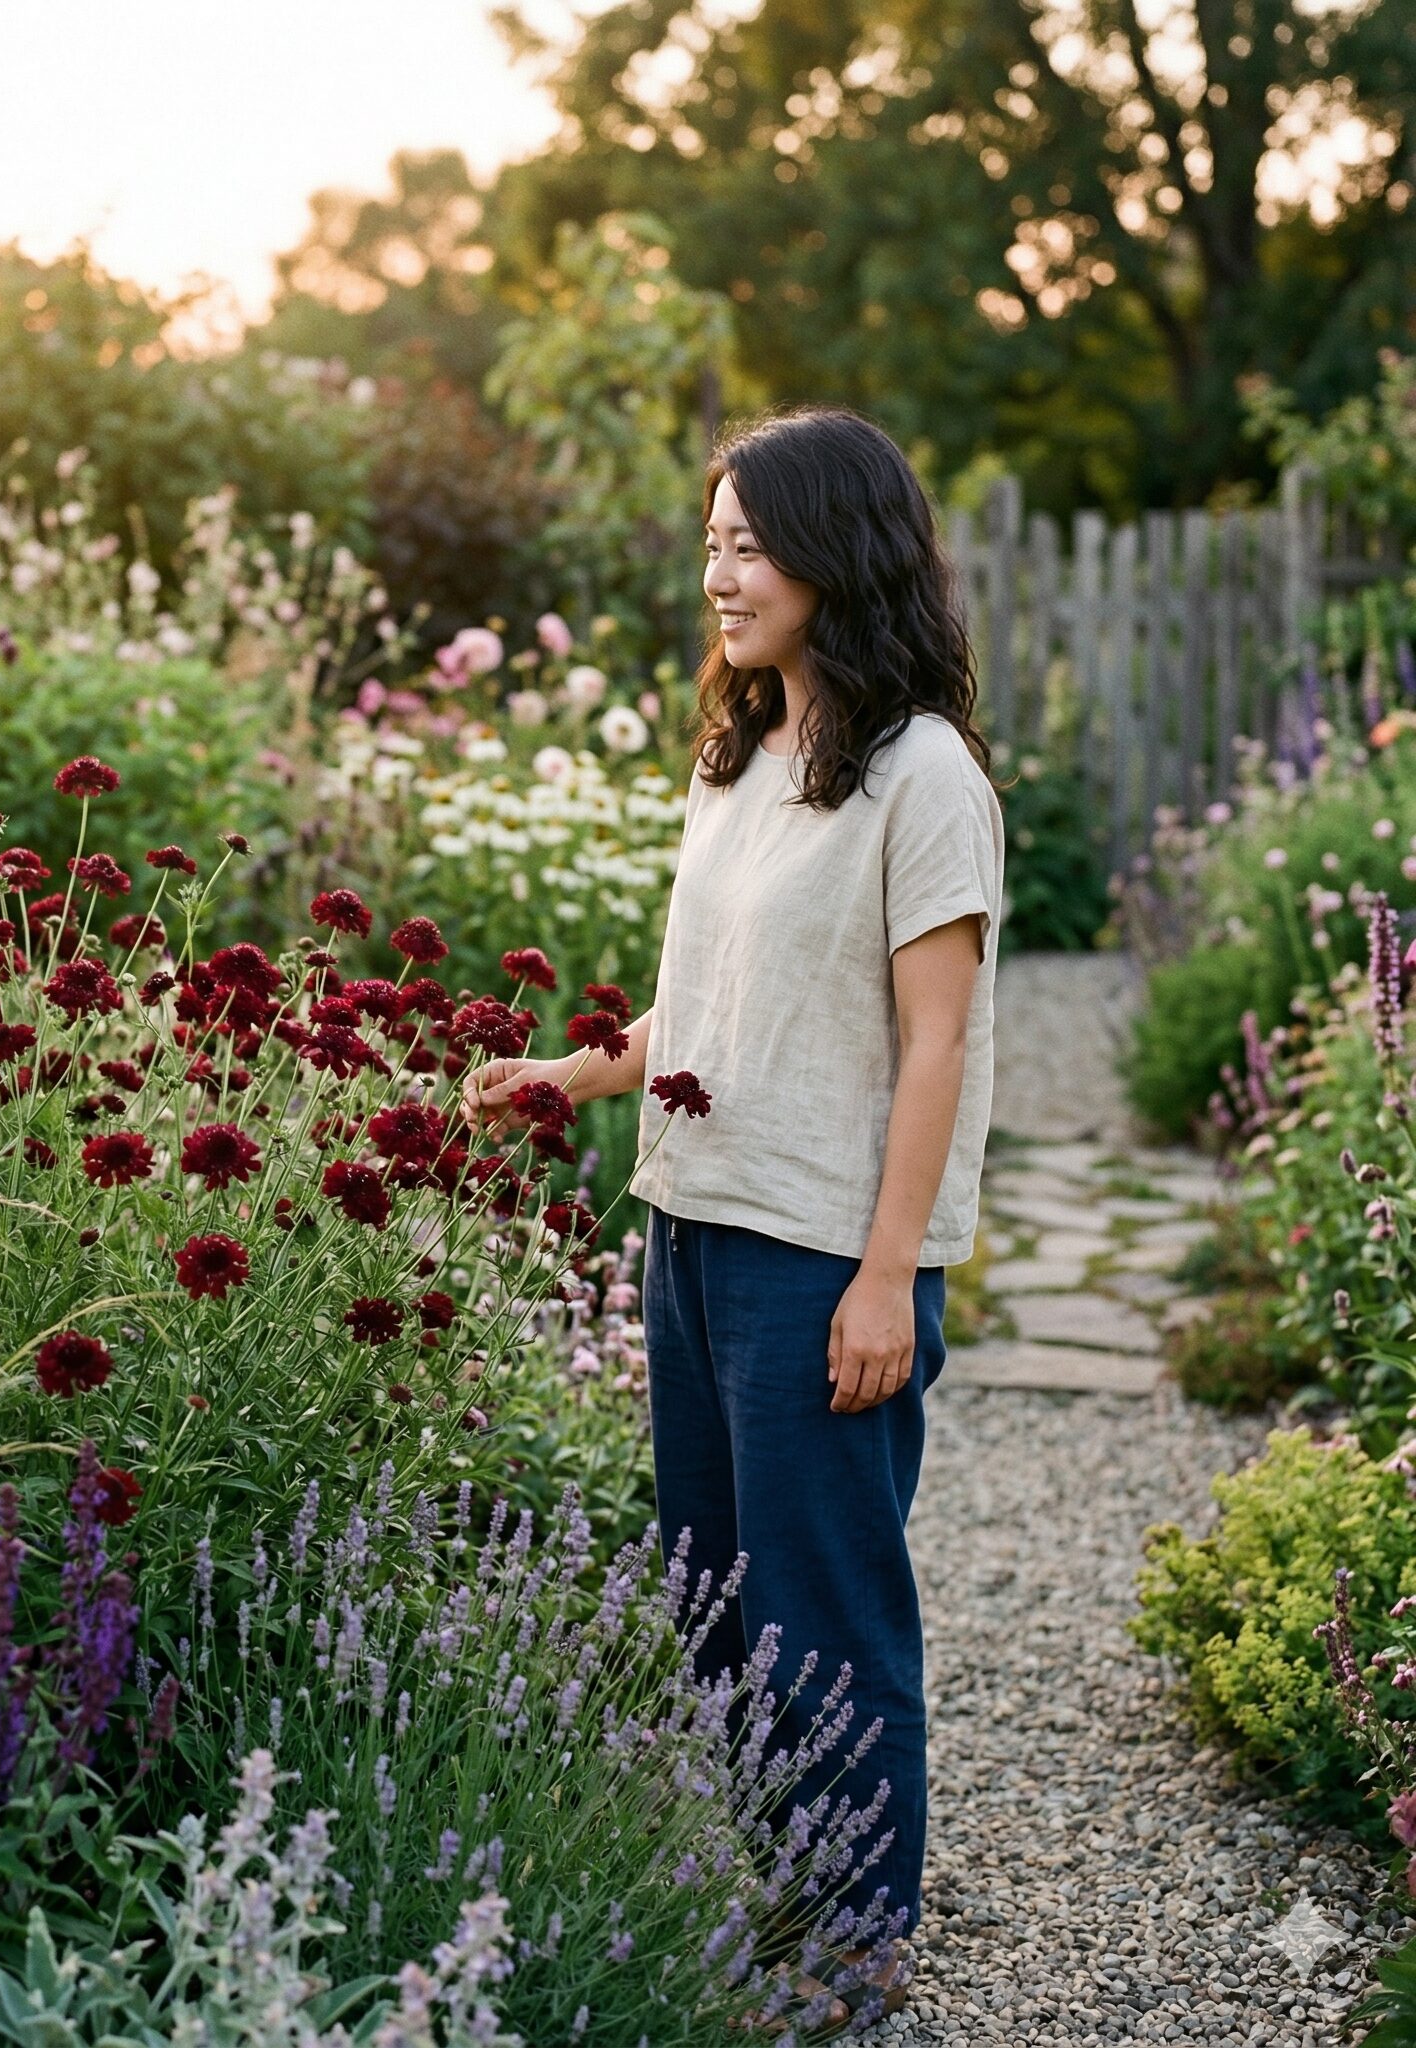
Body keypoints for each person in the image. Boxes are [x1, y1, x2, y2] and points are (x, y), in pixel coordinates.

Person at [461, 405, 1003, 2024]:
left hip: (821, 1252)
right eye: (711, 541)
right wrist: (583, 1067)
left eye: (750, 542)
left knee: (825, 1610)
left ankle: (855, 1952)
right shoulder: (746, 756)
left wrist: (889, 1275)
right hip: (690, 1232)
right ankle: (787, 1892)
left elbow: (937, 1041)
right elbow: (718, 1001)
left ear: (840, 553)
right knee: (714, 1600)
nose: (721, 571)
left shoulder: (926, 779)